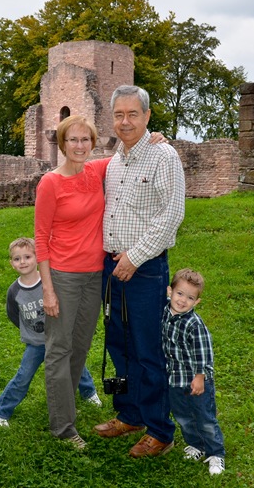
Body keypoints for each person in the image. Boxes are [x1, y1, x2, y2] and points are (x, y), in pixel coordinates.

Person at [94, 85, 186, 458]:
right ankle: (129, 414)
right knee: (120, 343)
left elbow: (173, 213)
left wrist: (136, 256)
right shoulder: (114, 163)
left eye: (133, 114)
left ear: (148, 116)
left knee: (148, 351)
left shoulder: (163, 155)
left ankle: (160, 431)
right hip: (111, 267)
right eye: (119, 114)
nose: (125, 121)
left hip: (145, 269)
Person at [35, 115, 110, 450]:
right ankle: (63, 428)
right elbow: (40, 239)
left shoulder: (96, 170)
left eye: (85, 140)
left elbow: (128, 146)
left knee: (79, 347)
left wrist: (155, 137)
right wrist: (47, 289)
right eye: (73, 140)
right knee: (59, 349)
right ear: (62, 144)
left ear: (93, 143)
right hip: (63, 277)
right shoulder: (50, 183)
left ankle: (63, 403)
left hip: (95, 275)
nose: (79, 146)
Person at [0, 237, 102, 429]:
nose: (23, 262)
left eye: (27, 256)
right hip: (36, 343)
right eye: (17, 259)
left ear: (38, 258)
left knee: (75, 366)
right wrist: (28, 330)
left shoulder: (50, 282)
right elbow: (13, 314)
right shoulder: (14, 291)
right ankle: (1, 410)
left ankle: (89, 393)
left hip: (59, 338)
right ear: (11, 263)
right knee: (23, 376)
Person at [162, 268, 225, 475]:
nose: (182, 301)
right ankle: (196, 445)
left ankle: (216, 453)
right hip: (175, 379)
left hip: (196, 381)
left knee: (204, 416)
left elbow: (204, 355)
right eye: (179, 294)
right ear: (169, 291)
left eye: (190, 298)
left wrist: (200, 378)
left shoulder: (194, 325)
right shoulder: (165, 313)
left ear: (196, 302)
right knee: (183, 416)